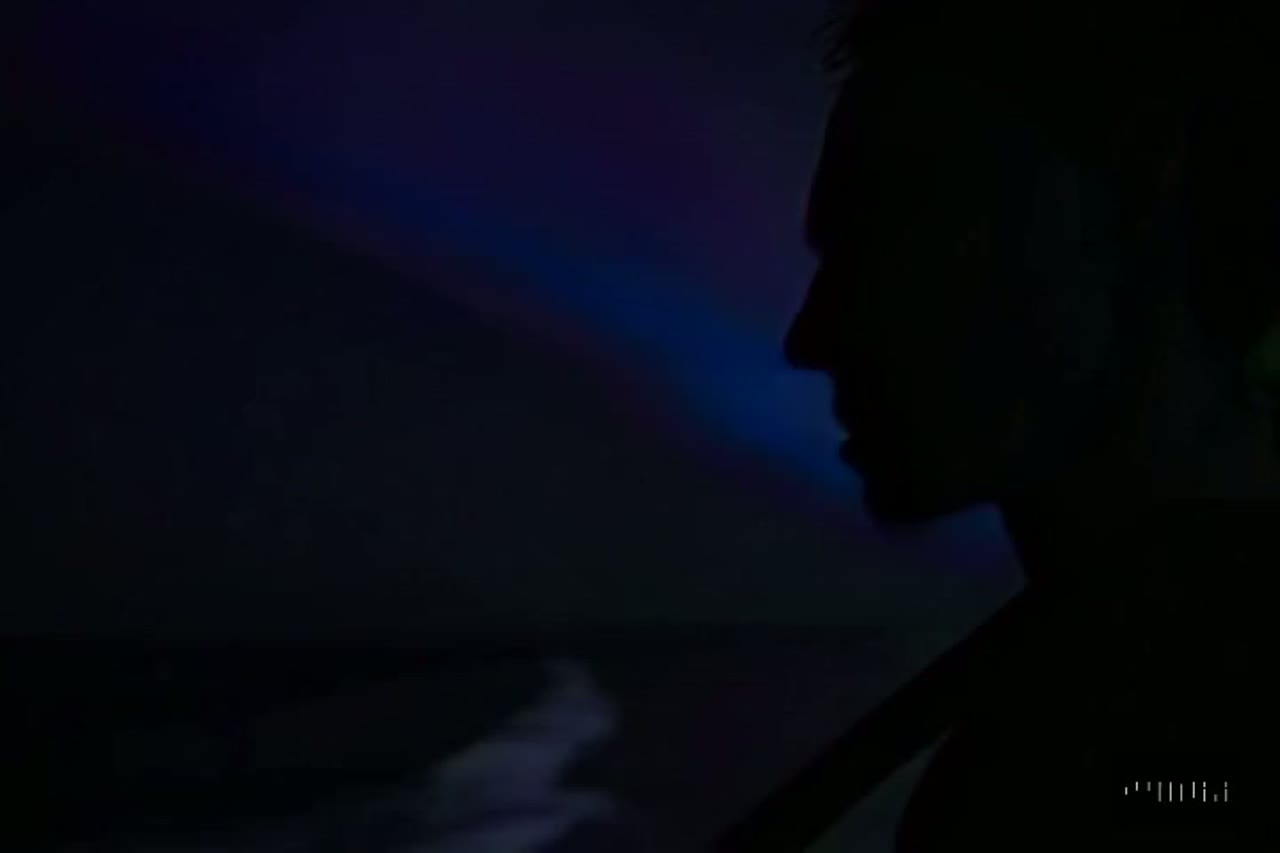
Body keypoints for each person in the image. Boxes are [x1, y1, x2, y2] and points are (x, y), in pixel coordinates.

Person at [784, 0, 1280, 848]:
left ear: (1145, 184)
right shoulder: (1089, 699)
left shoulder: (1119, 729)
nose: (813, 336)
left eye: (898, 231)